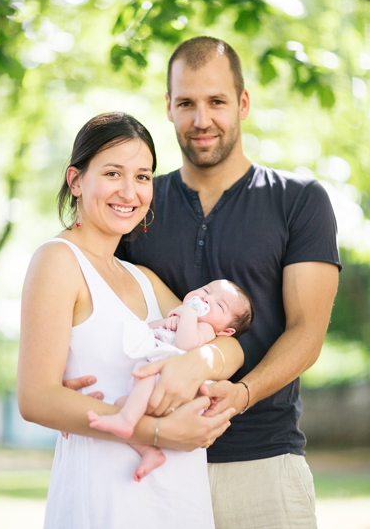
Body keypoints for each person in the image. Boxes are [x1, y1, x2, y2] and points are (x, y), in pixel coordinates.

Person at [63, 37, 339, 529]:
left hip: (262, 463)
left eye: (217, 101)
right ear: (168, 107)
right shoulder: (137, 202)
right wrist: (70, 366)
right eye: (187, 103)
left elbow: (307, 331)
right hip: (150, 464)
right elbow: (95, 294)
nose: (201, 119)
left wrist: (244, 392)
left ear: (243, 103)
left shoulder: (299, 201)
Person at [18, 111, 245, 528]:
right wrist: (160, 434)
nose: (130, 191)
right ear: (75, 181)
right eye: (112, 173)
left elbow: (229, 345)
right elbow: (35, 399)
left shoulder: (144, 279)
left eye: (143, 177)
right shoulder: (57, 261)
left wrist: (196, 362)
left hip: (178, 499)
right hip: (106, 499)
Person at [88, 279, 253, 481]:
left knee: (143, 382)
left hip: (177, 390)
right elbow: (146, 332)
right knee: (120, 404)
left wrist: (188, 316)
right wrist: (165, 323)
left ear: (225, 331)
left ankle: (126, 420)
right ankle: (148, 451)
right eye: (205, 290)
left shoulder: (207, 329)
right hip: (155, 384)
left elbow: (186, 344)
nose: (206, 299)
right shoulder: (180, 316)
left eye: (219, 305)